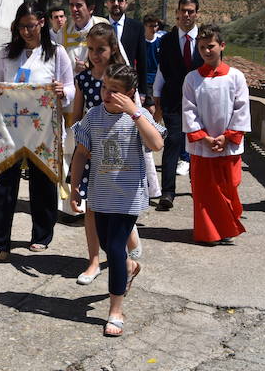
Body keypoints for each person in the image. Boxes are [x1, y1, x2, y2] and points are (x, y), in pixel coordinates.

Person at [70, 64, 165, 337]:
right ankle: (130, 267)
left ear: (130, 93)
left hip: (129, 197)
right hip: (100, 195)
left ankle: (116, 311)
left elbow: (157, 144)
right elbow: (80, 154)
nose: (107, 95)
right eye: (104, 88)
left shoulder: (139, 116)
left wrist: (135, 112)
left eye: (115, 91)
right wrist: (75, 186)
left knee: (113, 248)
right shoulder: (93, 117)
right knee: (111, 246)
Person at [0, 2, 75, 261]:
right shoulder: (6, 54)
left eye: (31, 26)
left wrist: (61, 92)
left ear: (42, 23)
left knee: (42, 180)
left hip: (43, 128)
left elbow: (71, 89)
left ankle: (42, 234)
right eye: (21, 27)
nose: (26, 32)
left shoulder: (56, 54)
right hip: (11, 127)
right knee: (5, 183)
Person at [70, 23, 141, 285]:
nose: (95, 54)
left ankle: (125, 255)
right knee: (91, 208)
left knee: (117, 209)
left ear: (112, 50)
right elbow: (76, 115)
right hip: (91, 152)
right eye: (90, 49)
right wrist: (82, 137)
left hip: (118, 155)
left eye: (101, 49)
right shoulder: (84, 79)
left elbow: (136, 114)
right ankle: (93, 261)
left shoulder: (122, 79)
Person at [181, 25, 251, 244]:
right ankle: (208, 233)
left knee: (229, 188)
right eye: (201, 47)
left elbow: (241, 108)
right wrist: (204, 137)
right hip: (203, 146)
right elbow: (188, 110)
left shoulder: (236, 77)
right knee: (204, 192)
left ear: (222, 46)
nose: (206, 51)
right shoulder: (192, 79)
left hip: (228, 145)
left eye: (210, 46)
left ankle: (227, 228)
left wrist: (227, 136)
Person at [153, 0, 203, 211]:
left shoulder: (205, 40)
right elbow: (161, 72)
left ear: (196, 14)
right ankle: (167, 192)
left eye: (190, 11)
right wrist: (155, 99)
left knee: (197, 145)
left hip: (201, 103)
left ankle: (199, 188)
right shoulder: (166, 41)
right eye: (183, 10)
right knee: (173, 143)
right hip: (173, 101)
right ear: (177, 13)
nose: (186, 15)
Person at [106, 0, 150, 106]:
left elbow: (142, 61)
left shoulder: (137, 27)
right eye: (112, 0)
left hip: (128, 85)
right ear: (107, 3)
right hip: (104, 84)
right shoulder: (100, 24)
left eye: (120, 1)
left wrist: (143, 92)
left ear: (126, 3)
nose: (116, 4)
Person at [62, 0, 108, 76]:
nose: (74, 9)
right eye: (71, 5)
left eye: (78, 5)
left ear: (91, 8)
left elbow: (115, 57)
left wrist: (89, 66)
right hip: (72, 84)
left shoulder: (102, 26)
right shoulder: (64, 30)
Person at [143, 13, 166, 108]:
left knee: (157, 108)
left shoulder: (161, 41)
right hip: (145, 79)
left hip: (158, 79)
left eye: (155, 26)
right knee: (151, 108)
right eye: (150, 26)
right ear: (145, 26)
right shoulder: (140, 41)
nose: (153, 29)